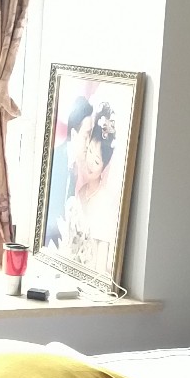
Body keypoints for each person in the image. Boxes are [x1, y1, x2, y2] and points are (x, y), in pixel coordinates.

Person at [59, 104, 120, 277]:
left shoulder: (106, 201)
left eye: (97, 161)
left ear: (105, 166)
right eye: (90, 151)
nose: (91, 162)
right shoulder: (81, 191)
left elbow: (102, 260)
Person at [44, 96, 96, 248]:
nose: (89, 144)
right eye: (86, 136)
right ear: (73, 135)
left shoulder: (78, 164)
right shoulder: (54, 160)